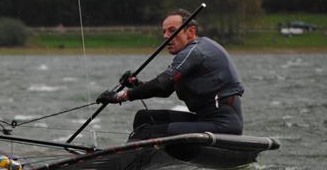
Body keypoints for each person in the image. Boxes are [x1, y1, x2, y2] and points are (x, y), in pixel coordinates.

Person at [96, 8, 244, 139]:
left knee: (146, 133)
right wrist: (136, 84)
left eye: (172, 31)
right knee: (144, 118)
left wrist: (119, 96)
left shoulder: (194, 51)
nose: (166, 36)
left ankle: (121, 165)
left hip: (223, 124)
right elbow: (166, 90)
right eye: (164, 31)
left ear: (190, 32)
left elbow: (161, 84)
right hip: (204, 120)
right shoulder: (191, 53)